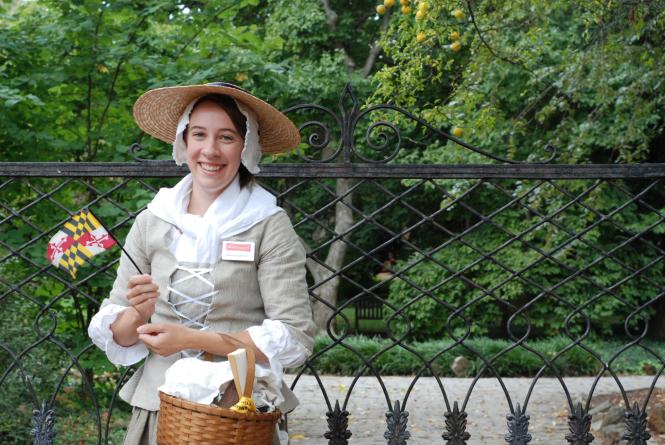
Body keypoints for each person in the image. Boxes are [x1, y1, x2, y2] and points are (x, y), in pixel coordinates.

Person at [87, 82, 316, 445]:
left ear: (246, 146)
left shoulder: (268, 224)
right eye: (199, 134)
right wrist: (136, 312)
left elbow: (294, 336)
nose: (210, 150)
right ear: (184, 140)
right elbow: (121, 333)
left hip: (235, 412)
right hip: (160, 407)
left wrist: (192, 339)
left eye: (226, 137)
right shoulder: (154, 219)